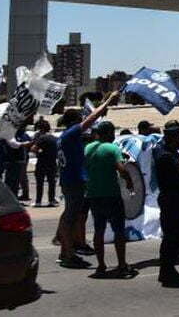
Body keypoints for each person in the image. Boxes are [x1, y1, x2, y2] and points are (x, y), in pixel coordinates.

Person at [57, 90, 119, 269]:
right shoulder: (70, 134)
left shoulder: (63, 138)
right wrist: (107, 101)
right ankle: (69, 255)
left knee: (68, 216)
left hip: (68, 181)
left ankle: (65, 250)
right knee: (70, 218)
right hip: (73, 181)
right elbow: (91, 119)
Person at [84, 120, 136, 278]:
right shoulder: (113, 148)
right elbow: (121, 168)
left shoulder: (88, 148)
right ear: (108, 133)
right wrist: (129, 182)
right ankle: (121, 264)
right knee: (118, 231)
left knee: (98, 231)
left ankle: (101, 265)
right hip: (111, 195)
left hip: (93, 195)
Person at [153, 120, 179, 287]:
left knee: (178, 237)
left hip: (178, 197)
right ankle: (167, 272)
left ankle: (169, 270)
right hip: (171, 199)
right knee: (171, 237)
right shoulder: (163, 153)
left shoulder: (170, 150)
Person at [32, 119, 59, 207]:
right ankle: (51, 200)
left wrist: (39, 152)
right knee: (51, 182)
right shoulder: (53, 138)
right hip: (52, 162)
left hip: (42, 162)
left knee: (40, 183)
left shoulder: (41, 138)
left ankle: (38, 201)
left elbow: (33, 149)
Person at [3, 127, 32, 200]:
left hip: (20, 161)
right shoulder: (10, 135)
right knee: (12, 181)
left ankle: (17, 196)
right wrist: (24, 144)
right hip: (12, 161)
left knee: (18, 180)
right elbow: (14, 145)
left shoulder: (23, 135)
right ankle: (11, 198)